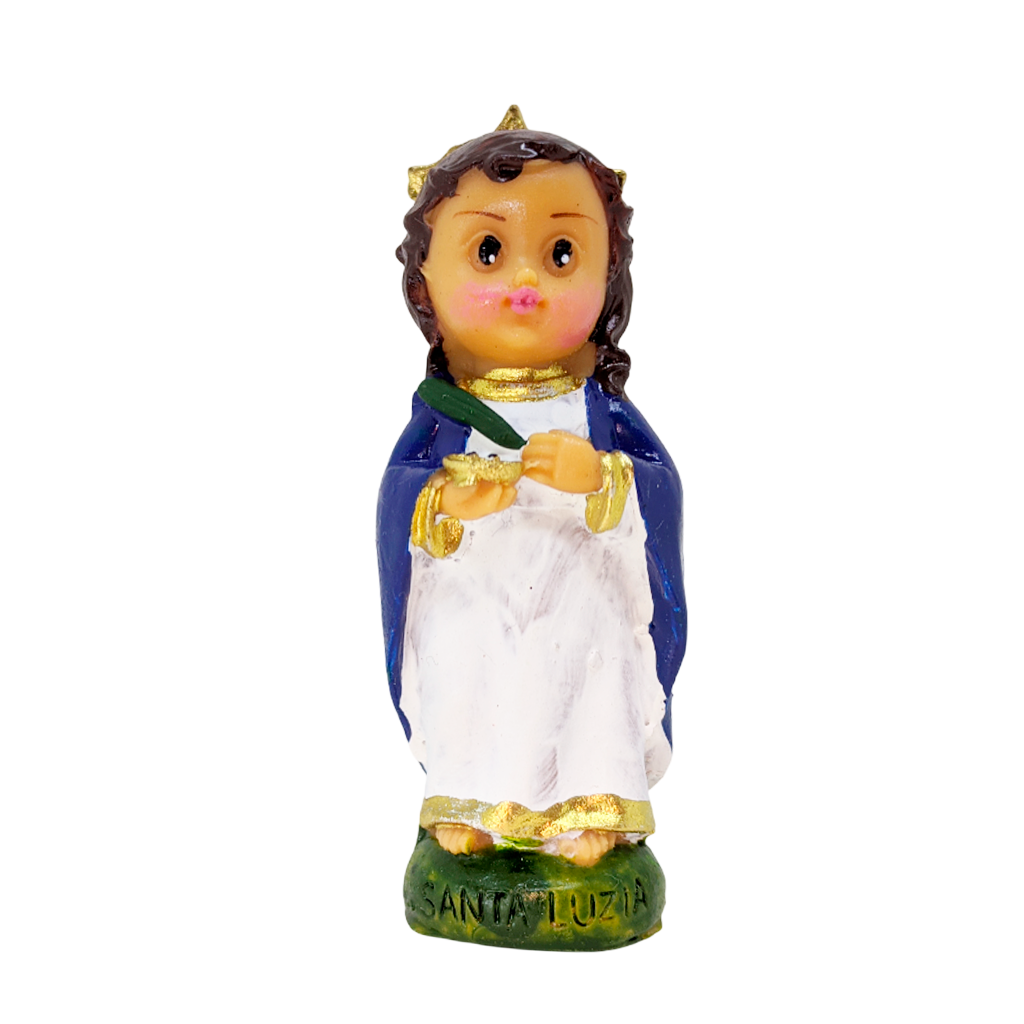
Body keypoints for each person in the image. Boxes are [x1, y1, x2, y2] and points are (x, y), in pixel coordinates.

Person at [377, 113, 686, 868]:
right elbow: (400, 496)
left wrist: (602, 478)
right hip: (474, 597)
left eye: (560, 254)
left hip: (581, 592)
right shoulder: (446, 415)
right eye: (488, 251)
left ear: (607, 272)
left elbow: (659, 487)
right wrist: (444, 505)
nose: (525, 282)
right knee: (465, 665)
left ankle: (592, 804)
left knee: (588, 668)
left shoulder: (597, 409)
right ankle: (469, 802)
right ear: (426, 283)